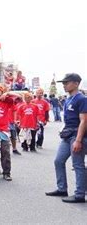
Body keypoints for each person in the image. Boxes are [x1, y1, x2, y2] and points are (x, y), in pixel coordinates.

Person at [46, 73, 86, 203]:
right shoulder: (68, 99)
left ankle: (79, 194)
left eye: (66, 82)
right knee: (58, 161)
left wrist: (78, 140)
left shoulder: (82, 99)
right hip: (67, 135)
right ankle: (62, 188)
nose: (64, 85)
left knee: (78, 164)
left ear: (76, 83)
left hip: (77, 135)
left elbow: (84, 121)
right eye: (63, 83)